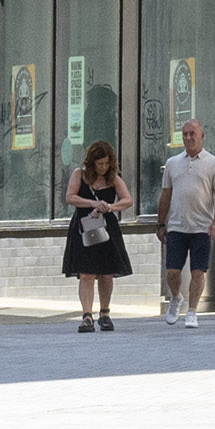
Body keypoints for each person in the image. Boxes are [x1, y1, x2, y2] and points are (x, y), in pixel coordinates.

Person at [157, 119, 215, 319]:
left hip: (202, 227)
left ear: (202, 136)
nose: (188, 138)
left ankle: (192, 311)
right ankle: (175, 299)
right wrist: (160, 224)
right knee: (173, 272)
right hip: (176, 226)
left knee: (198, 271)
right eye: (185, 134)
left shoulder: (214, 164)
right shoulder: (172, 164)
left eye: (192, 133)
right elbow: (165, 195)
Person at [59, 141, 133, 334]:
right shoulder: (79, 174)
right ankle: (87, 315)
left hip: (107, 229)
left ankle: (105, 313)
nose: (103, 167)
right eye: (99, 164)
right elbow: (70, 197)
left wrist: (110, 207)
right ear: (91, 163)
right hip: (84, 227)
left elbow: (127, 200)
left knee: (107, 274)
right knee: (86, 274)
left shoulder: (113, 178)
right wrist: (93, 203)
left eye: (106, 164)